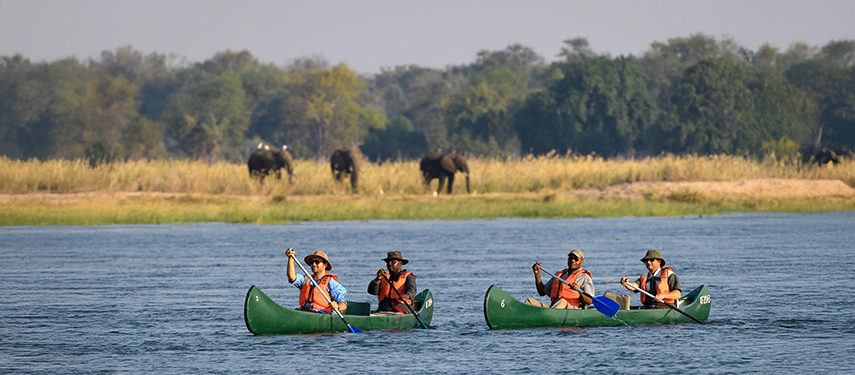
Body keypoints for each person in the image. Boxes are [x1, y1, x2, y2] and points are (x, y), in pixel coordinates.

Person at [525, 249, 594, 309]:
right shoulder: (560, 275)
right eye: (570, 258)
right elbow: (542, 292)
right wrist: (537, 274)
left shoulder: (585, 277)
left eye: (576, 259)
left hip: (572, 310)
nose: (572, 260)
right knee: (529, 301)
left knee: (562, 301)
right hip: (554, 308)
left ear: (581, 262)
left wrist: (578, 290)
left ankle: (548, 316)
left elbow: (589, 301)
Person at [285, 248, 347, 313]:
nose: (314, 264)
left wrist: (337, 306)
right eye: (312, 262)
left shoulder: (331, 282)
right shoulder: (306, 279)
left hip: (321, 313)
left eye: (317, 262)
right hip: (304, 311)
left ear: (325, 265)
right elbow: (292, 277)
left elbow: (343, 303)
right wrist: (291, 258)